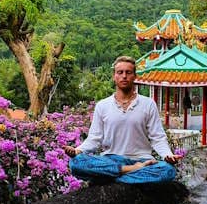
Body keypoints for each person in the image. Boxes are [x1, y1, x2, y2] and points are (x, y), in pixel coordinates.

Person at [63, 56, 181, 184]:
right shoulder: (103, 105)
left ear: (134, 76)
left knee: (168, 170)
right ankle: (130, 171)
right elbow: (94, 139)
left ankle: (113, 176)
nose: (124, 76)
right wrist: (77, 150)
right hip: (111, 159)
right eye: (120, 72)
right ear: (114, 76)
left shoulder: (148, 104)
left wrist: (167, 155)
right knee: (76, 163)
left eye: (128, 72)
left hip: (142, 160)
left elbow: (157, 137)